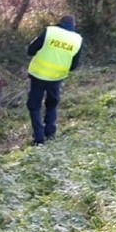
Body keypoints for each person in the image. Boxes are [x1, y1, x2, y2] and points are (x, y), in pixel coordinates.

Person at [26, 14, 83, 145]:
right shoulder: (77, 39)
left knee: (34, 106)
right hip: (56, 77)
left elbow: (31, 50)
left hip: (38, 75)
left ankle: (39, 138)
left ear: (60, 22)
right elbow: (73, 65)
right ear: (74, 25)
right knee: (52, 104)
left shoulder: (50, 31)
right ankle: (50, 132)